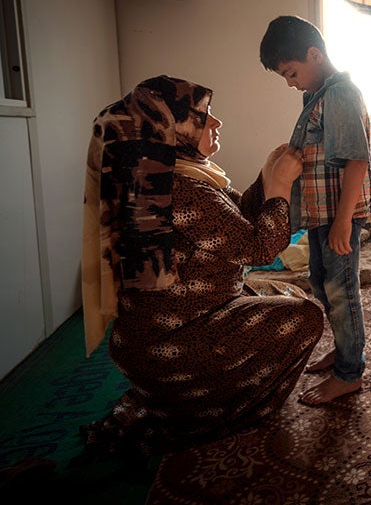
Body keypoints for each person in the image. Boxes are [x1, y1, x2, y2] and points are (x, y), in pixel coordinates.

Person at [80, 75, 325, 455]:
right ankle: (226, 413)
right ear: (169, 131)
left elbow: (234, 223)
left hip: (154, 337)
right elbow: (258, 248)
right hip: (174, 343)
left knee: (284, 291)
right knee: (305, 315)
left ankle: (176, 396)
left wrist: (266, 172)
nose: (217, 123)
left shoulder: (169, 177)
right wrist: (278, 188)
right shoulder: (180, 189)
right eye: (203, 117)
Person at [259, 15, 371, 405]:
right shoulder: (316, 96)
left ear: (314, 54)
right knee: (321, 284)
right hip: (321, 212)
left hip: (338, 213)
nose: (291, 82)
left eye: (291, 73)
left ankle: (350, 373)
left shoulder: (342, 93)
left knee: (342, 291)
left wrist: (344, 221)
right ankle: (346, 351)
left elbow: (357, 160)